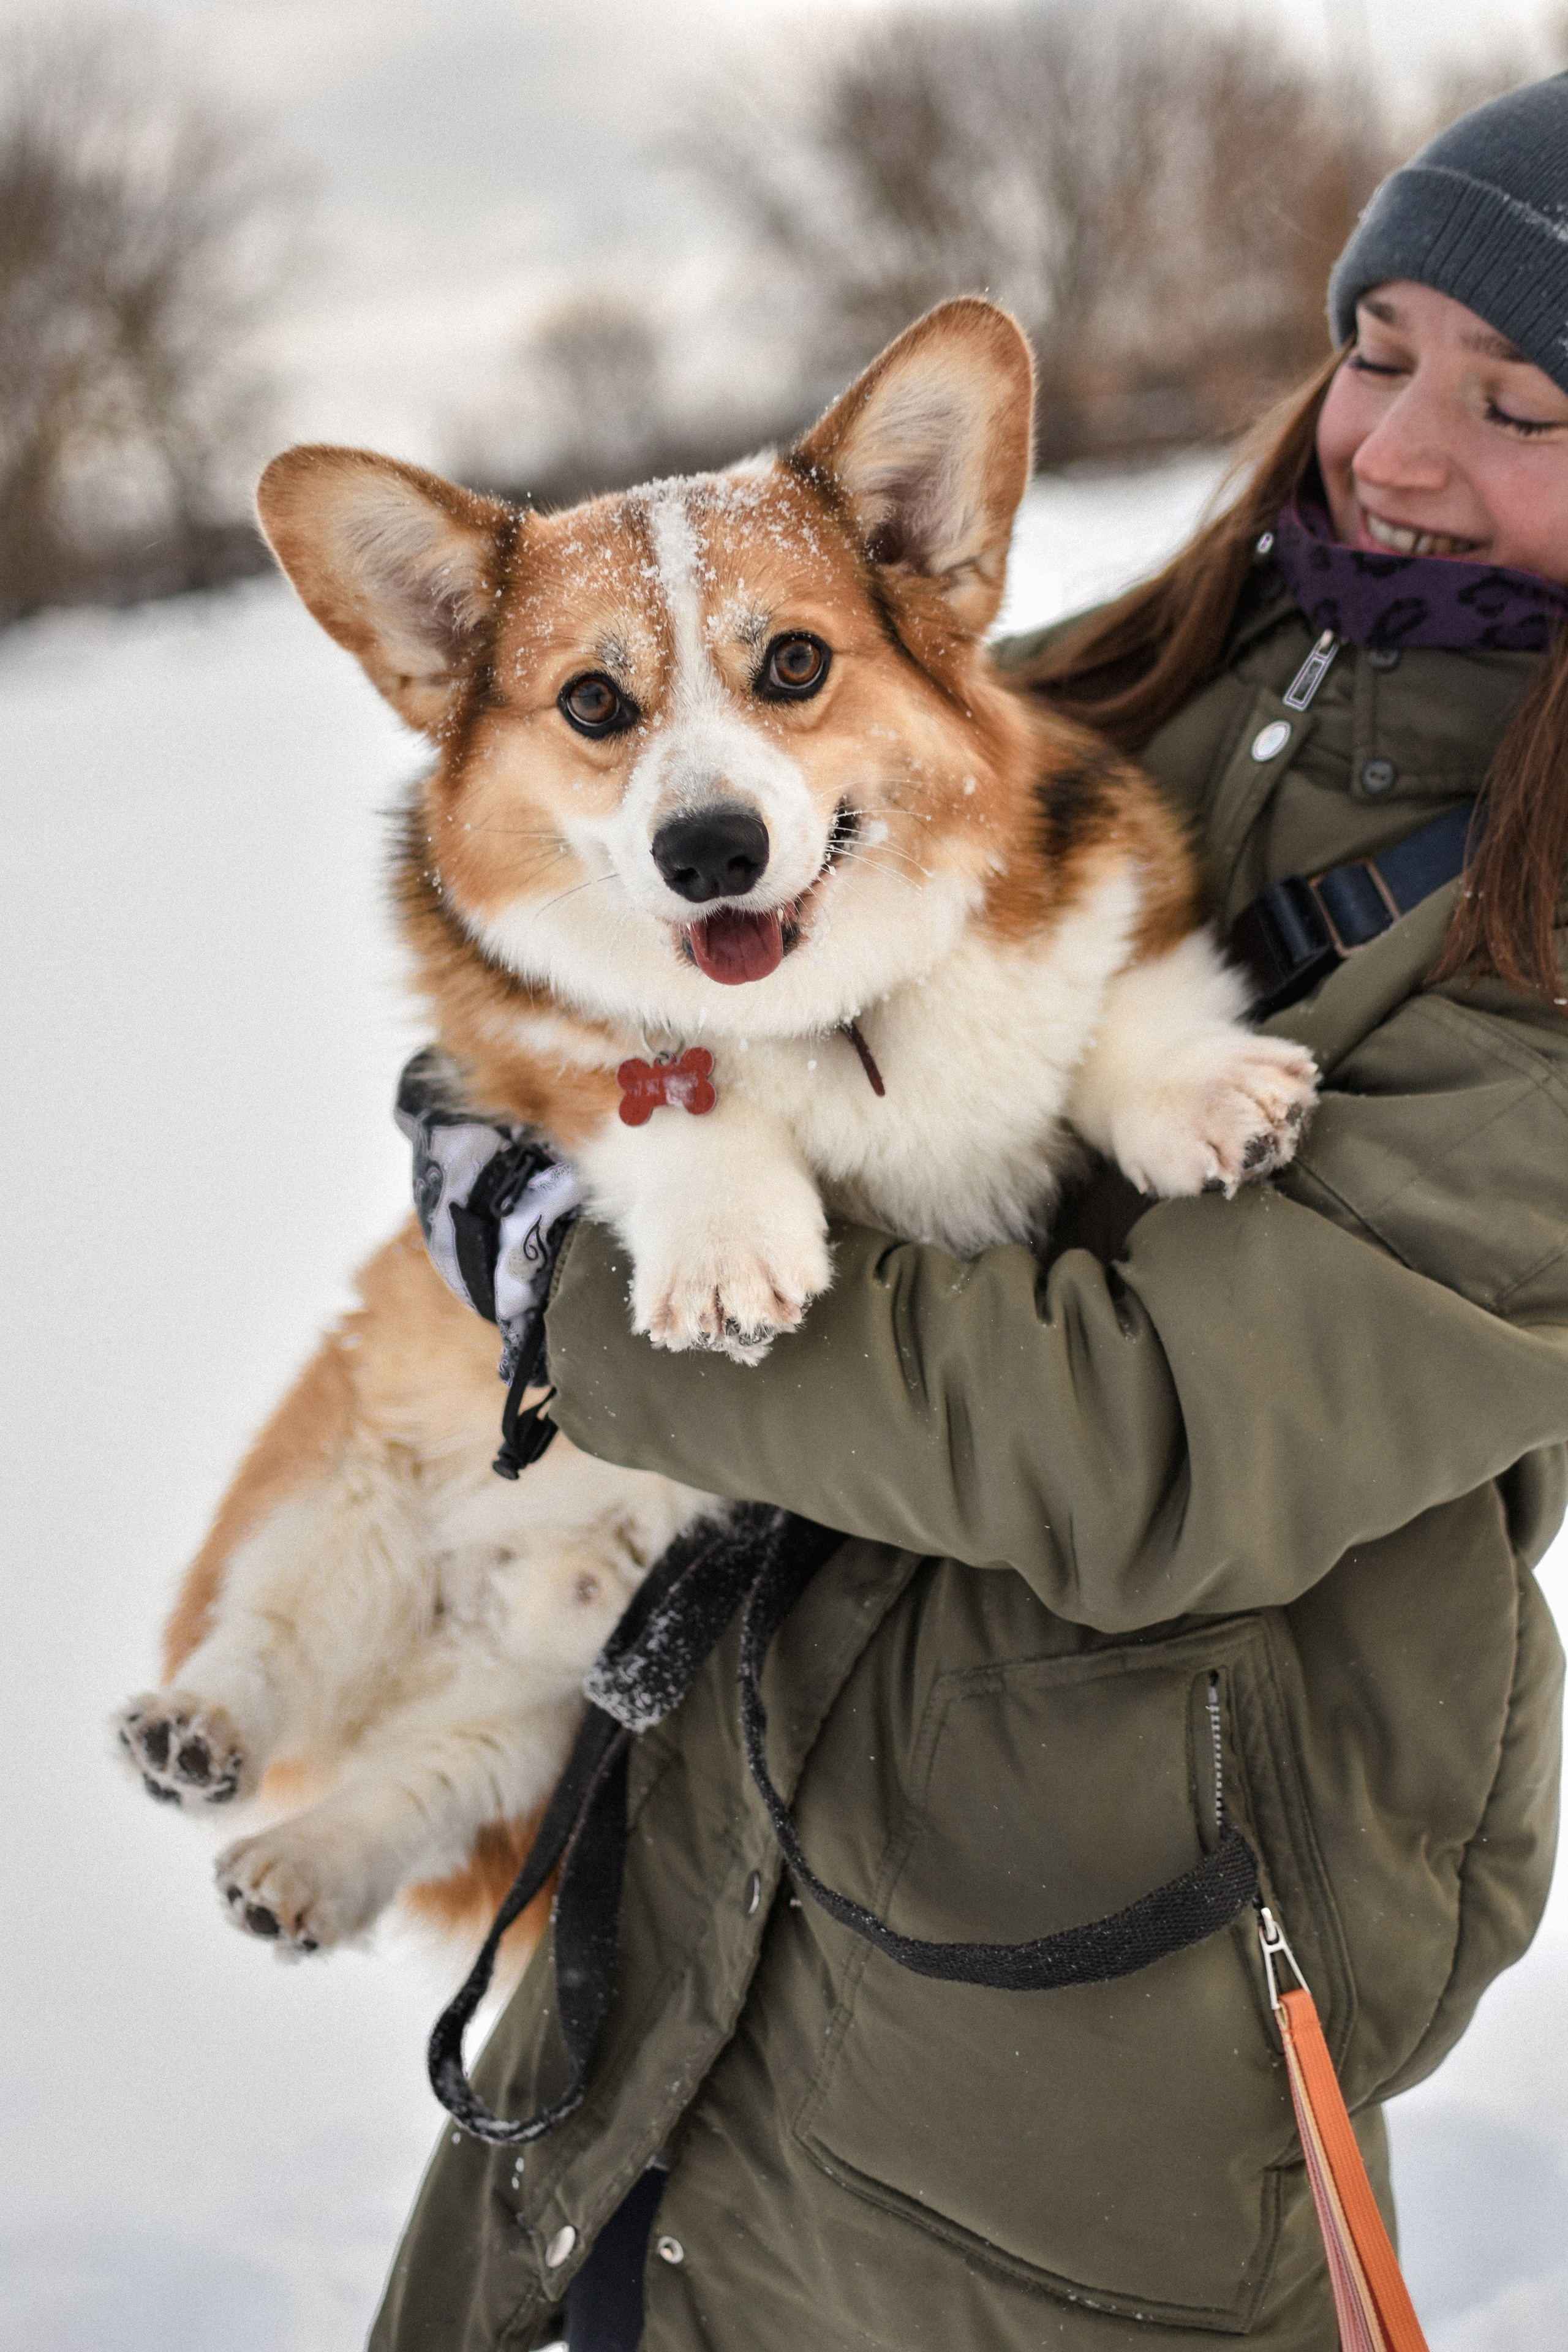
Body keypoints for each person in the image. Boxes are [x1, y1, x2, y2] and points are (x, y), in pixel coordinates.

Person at [372, 73, 1568, 2352]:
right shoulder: (1153, 667)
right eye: (1378, 348)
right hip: (726, 1829)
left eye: (1523, 407)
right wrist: (527, 1090)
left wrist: (568, 1297)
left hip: (1102, 1990)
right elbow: (641, 919)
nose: (1398, 453)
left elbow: (1158, 1443)